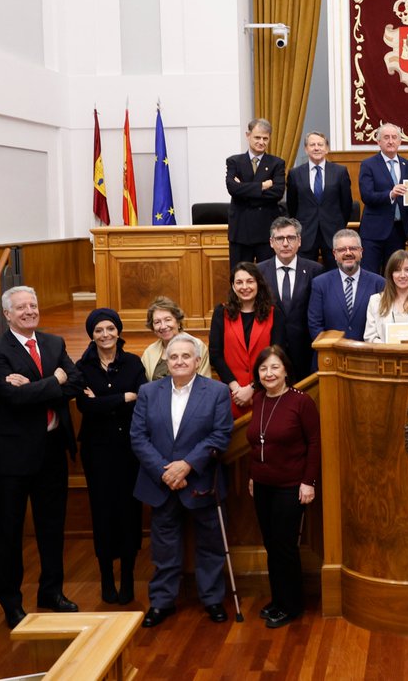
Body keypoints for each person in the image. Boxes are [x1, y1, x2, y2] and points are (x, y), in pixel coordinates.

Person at [0, 285, 83, 628]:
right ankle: (11, 602)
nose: (29, 311)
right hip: (13, 457)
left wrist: (35, 386)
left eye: (33, 305)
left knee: (52, 528)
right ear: (7, 314)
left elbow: (76, 382)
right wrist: (53, 380)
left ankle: (51, 592)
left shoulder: (54, 343)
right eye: (21, 307)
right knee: (9, 532)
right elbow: (12, 398)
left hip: (53, 450)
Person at [131, 333, 234, 628]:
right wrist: (166, 471)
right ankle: (162, 602)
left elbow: (221, 434)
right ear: (166, 360)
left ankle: (212, 599)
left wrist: (187, 466)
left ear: (197, 360)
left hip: (201, 481)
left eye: (186, 356)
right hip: (160, 482)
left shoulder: (216, 391)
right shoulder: (149, 392)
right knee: (164, 547)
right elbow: (138, 437)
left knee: (211, 545)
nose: (179, 361)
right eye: (174, 356)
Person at [74, 307, 145, 605]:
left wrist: (103, 401)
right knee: (102, 511)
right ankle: (106, 576)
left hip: (129, 449)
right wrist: (121, 398)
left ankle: (127, 575)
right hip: (97, 450)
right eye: (99, 330)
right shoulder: (83, 366)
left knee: (129, 511)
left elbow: (140, 399)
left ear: (118, 331)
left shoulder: (133, 363)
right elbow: (84, 407)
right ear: (91, 334)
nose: (105, 335)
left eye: (110, 329)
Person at [246, 345, 320, 629]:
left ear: (286, 370)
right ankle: (278, 600)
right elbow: (256, 441)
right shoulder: (258, 399)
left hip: (291, 486)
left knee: (285, 546)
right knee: (270, 545)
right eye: (263, 369)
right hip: (263, 484)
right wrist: (253, 475)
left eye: (275, 367)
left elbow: (314, 443)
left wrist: (308, 482)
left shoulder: (301, 401)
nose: (269, 373)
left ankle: (291, 606)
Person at [208, 262, 285, 415]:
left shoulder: (273, 313)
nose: (245, 287)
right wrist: (236, 389)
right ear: (233, 286)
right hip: (231, 395)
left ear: (258, 283)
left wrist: (252, 388)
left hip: (266, 391)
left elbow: (278, 353)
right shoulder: (220, 312)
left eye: (250, 281)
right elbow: (215, 355)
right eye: (239, 282)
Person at [259, 216, 324, 378]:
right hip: (270, 348)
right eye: (280, 238)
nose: (286, 243)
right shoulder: (258, 271)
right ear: (271, 242)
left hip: (305, 349)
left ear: (299, 241)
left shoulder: (315, 270)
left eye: (291, 238)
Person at [286, 130, 353, 270]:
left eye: (320, 145)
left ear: (327, 149)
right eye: (312, 145)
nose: (316, 148)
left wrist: (338, 223)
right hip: (305, 234)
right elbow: (292, 205)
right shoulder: (295, 173)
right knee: (304, 277)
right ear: (306, 148)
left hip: (333, 233)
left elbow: (346, 204)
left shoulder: (340, 172)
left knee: (335, 275)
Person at [226, 117, 286, 266]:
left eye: (265, 138)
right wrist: (262, 186)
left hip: (266, 232)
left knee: (267, 279)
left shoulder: (277, 163)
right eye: (257, 137)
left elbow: (277, 192)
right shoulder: (234, 161)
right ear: (248, 135)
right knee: (239, 276)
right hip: (240, 231)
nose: (261, 142)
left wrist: (244, 189)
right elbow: (232, 188)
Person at [307, 229, 386, 341]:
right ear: (334, 254)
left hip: (367, 354)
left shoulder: (379, 283)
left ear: (361, 252)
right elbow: (315, 324)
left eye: (353, 248)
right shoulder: (320, 284)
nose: (348, 253)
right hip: (331, 353)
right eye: (342, 249)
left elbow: (383, 324)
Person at [358, 123, 408, 274]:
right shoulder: (368, 164)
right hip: (374, 231)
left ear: (400, 141)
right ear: (378, 141)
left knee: (395, 274)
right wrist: (390, 194)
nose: (391, 141)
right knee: (370, 274)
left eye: (394, 137)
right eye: (386, 137)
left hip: (398, 230)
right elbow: (367, 196)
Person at [140, 296, 211, 381]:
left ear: (178, 321)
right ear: (152, 327)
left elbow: (205, 384)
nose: (163, 326)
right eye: (157, 322)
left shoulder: (196, 345)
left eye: (168, 320)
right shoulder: (149, 352)